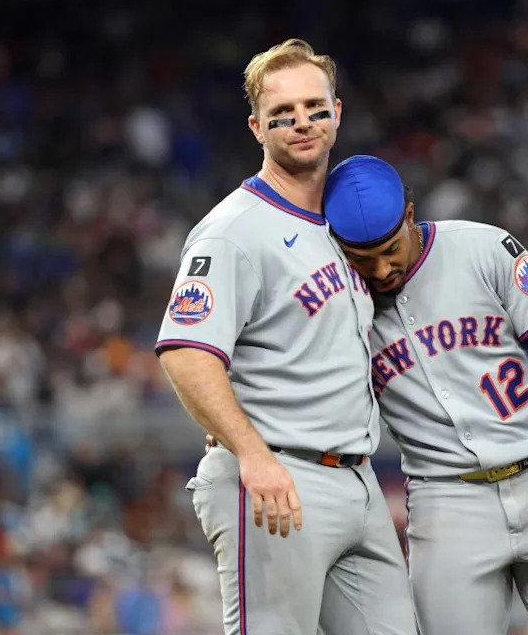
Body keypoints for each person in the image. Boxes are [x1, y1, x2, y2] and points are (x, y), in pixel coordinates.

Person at [155, 43, 416, 635]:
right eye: (283, 112)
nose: (302, 121)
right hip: (276, 479)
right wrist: (252, 454)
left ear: (338, 112)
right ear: (256, 126)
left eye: (314, 107)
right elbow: (186, 353)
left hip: (359, 479)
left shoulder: (348, 222)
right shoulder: (232, 232)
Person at [321, 155, 528, 634]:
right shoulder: (334, 298)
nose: (382, 269)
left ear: (409, 215)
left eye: (390, 250)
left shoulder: (483, 247)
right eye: (363, 260)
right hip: (447, 502)